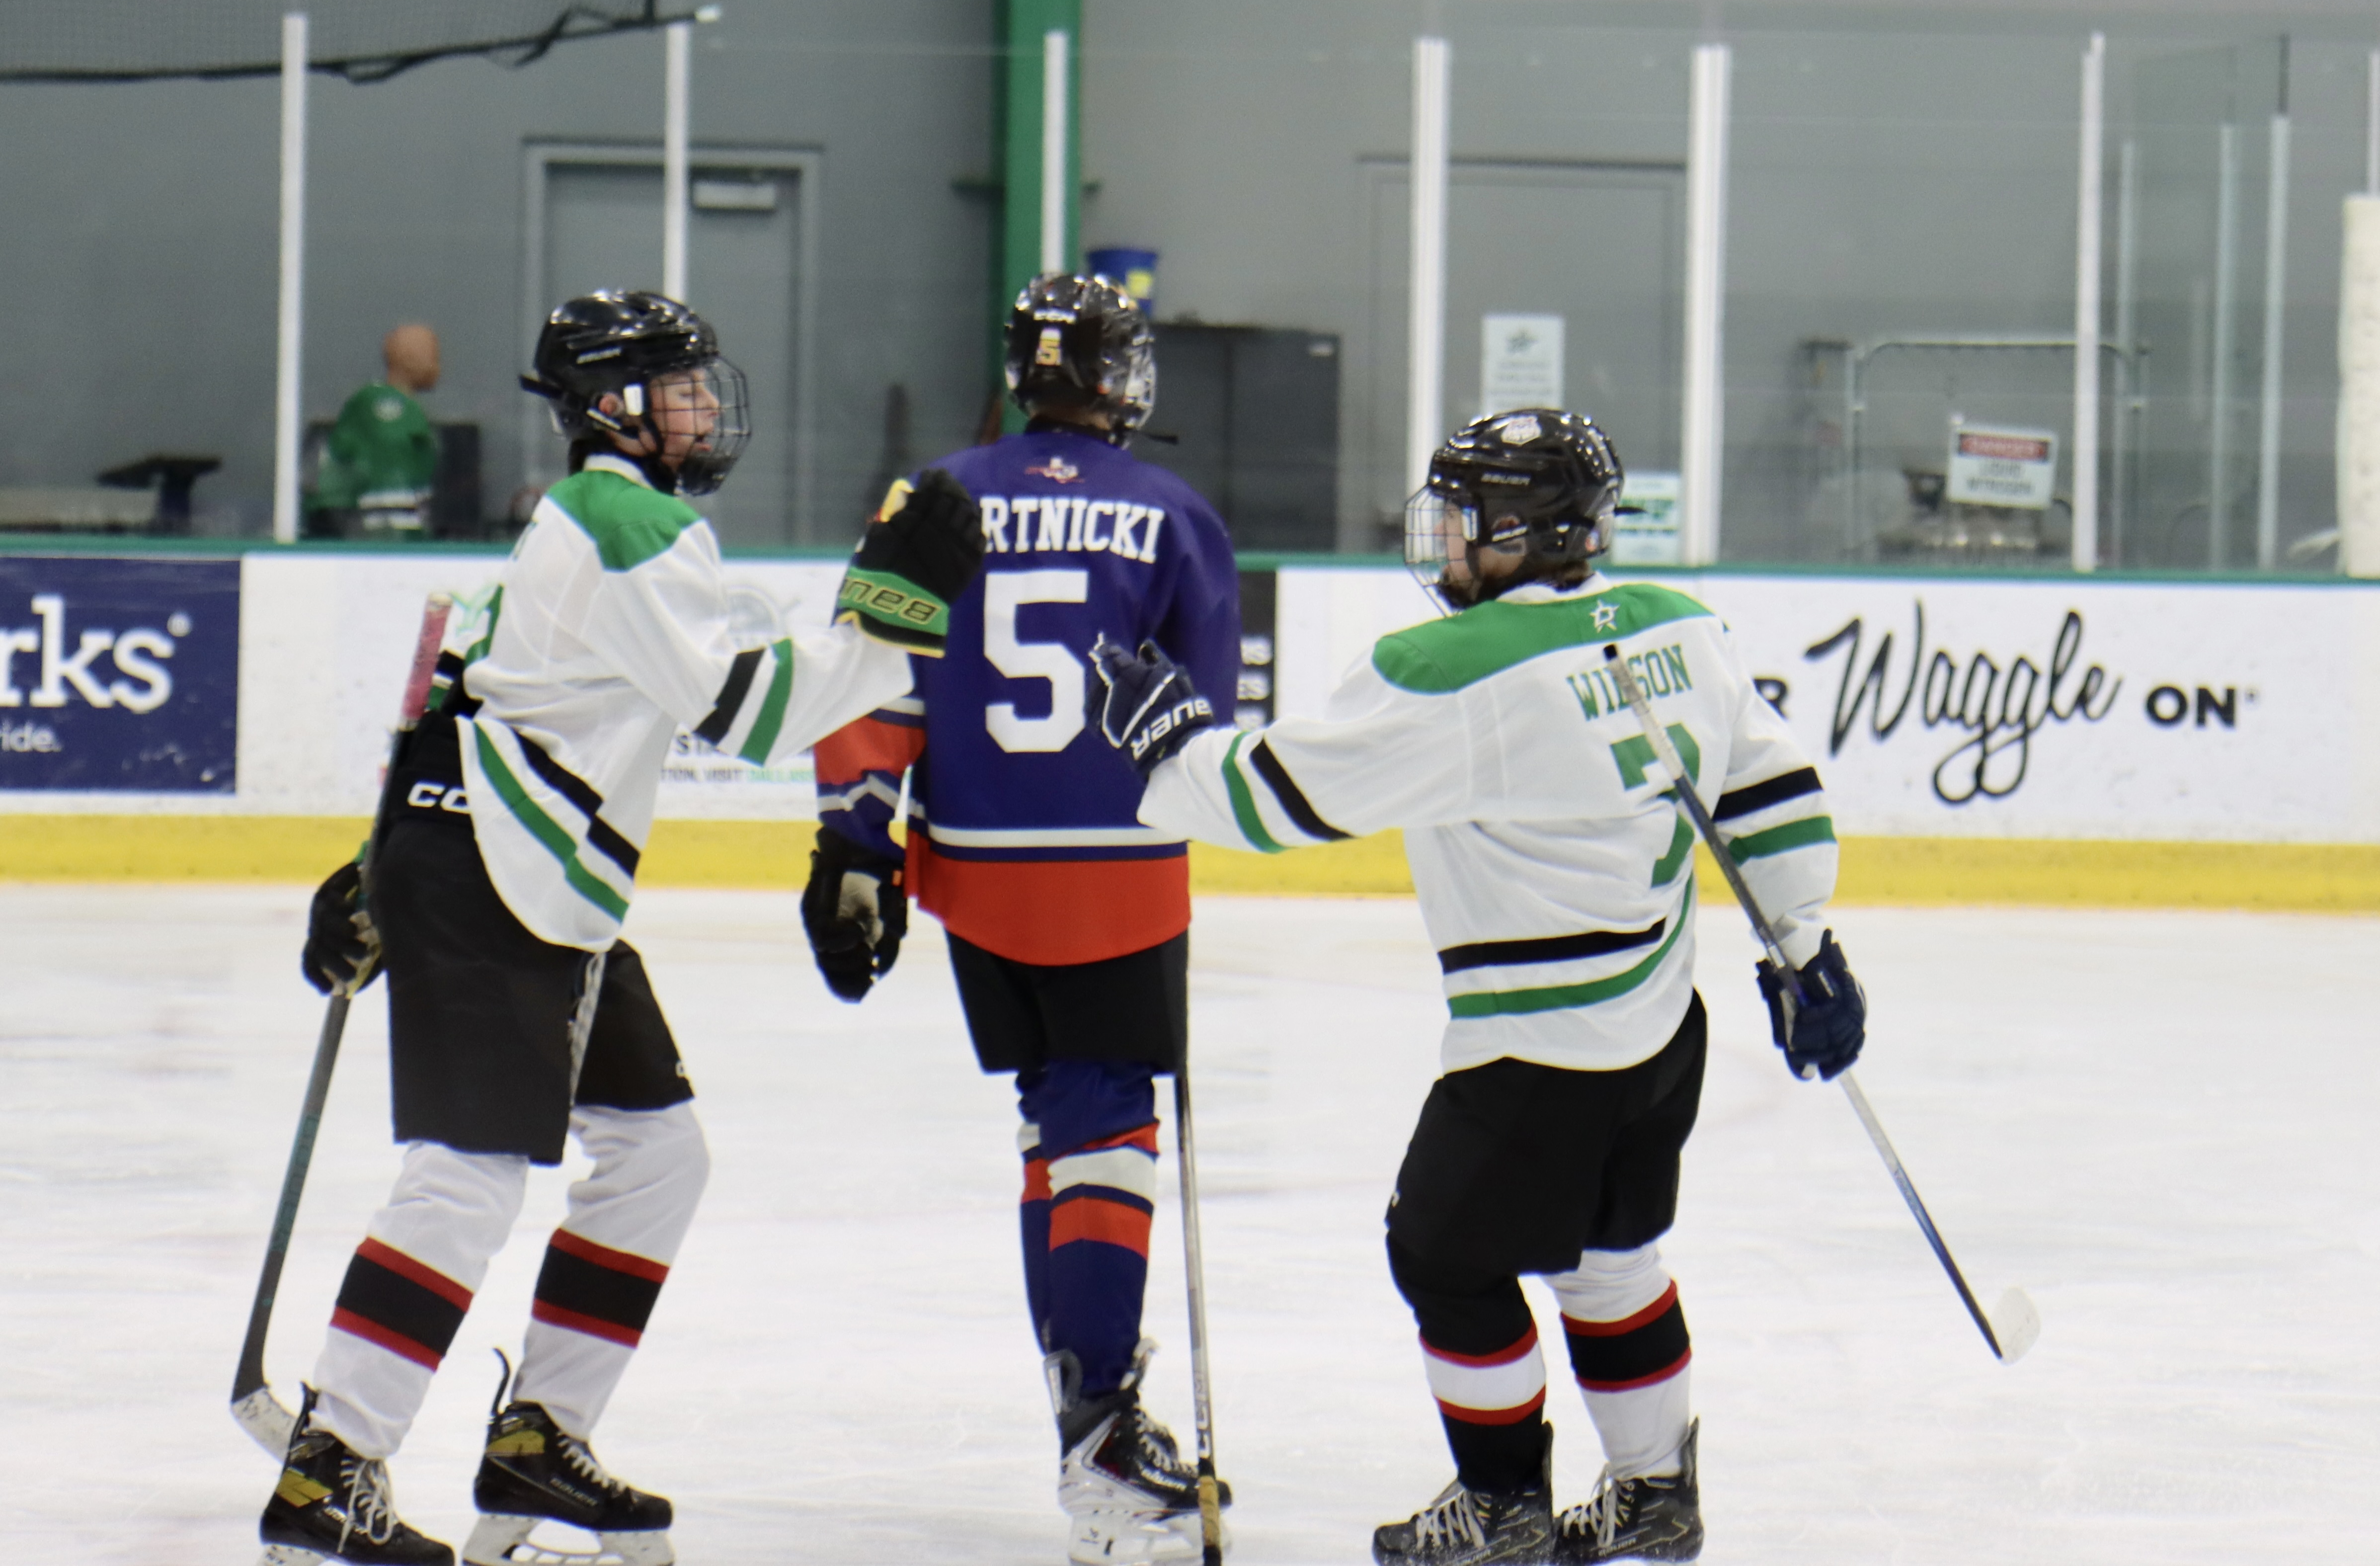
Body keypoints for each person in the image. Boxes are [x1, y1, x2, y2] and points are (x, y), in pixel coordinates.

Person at [267, 289, 985, 1566]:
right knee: (469, 1173)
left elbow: (459, 675)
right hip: (498, 874)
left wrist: (379, 865)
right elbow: (751, 714)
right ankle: (331, 1467)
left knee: (658, 1154)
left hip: (524, 877)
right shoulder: (626, 520)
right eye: (681, 385)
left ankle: (539, 1435)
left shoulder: (593, 521)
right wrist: (894, 615)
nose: (706, 406)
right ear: (613, 406)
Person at [1085, 409, 1867, 1566]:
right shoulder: (1682, 627)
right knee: (1609, 1257)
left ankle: (1501, 1505)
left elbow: (1280, 799)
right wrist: (1804, 945)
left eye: (1460, 514)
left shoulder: (1450, 669)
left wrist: (1170, 748)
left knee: (1445, 1258)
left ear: (1515, 530)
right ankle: (1656, 1489)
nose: (1442, 535)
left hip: (1537, 1054)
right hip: (1660, 1031)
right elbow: (1769, 788)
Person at [803, 272, 1241, 1565]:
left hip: (975, 872)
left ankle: (1084, 1412)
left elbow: (868, 680)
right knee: (1105, 1126)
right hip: (1118, 869)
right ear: (1119, 378)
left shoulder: (929, 496)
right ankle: (1101, 1431)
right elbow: (1204, 720)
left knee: (1053, 1131)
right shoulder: (1173, 513)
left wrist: (856, 846)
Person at [310, 325, 445, 540]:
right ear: (410, 360)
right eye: (433, 357)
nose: (438, 367)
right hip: (384, 541)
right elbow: (391, 498)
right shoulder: (387, 410)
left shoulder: (392, 409)